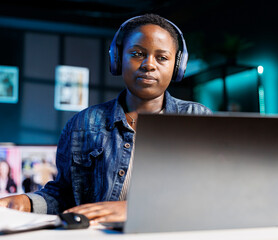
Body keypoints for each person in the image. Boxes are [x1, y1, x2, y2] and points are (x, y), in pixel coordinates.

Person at [0, 14, 211, 224]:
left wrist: (136, 209)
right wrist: (26, 202)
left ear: (177, 66)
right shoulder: (82, 124)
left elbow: (211, 193)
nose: (149, 64)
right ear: (118, 59)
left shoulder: (198, 119)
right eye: (137, 54)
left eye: (162, 57)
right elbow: (64, 195)